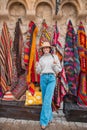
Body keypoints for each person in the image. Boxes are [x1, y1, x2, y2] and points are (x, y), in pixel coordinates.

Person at [36, 42, 62, 130]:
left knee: (47, 100)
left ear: (50, 49)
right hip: (43, 78)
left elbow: (58, 70)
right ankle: (50, 118)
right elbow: (38, 71)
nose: (46, 49)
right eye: (44, 48)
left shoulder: (54, 57)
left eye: (47, 48)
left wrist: (55, 65)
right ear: (42, 50)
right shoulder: (41, 59)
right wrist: (38, 66)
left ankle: (43, 121)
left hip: (51, 78)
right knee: (45, 99)